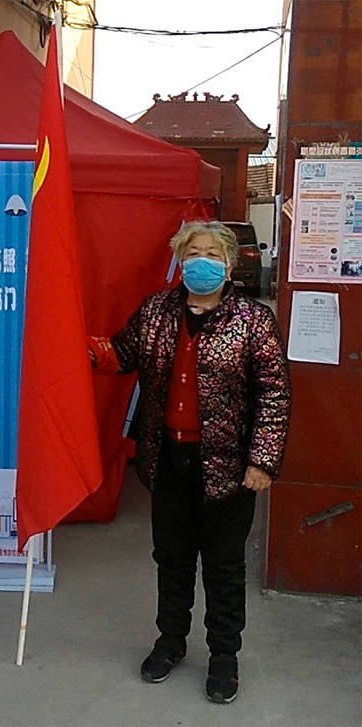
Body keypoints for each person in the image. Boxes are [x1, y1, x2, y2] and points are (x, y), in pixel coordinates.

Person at [88, 220, 291, 704]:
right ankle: (171, 641)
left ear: (229, 265)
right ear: (181, 260)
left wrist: (262, 461)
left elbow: (275, 396)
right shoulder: (157, 311)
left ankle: (224, 656)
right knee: (172, 559)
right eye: (193, 252)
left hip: (229, 467)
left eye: (212, 254)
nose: (202, 261)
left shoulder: (253, 321)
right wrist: (80, 352)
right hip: (168, 459)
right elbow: (121, 352)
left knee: (223, 566)